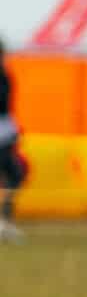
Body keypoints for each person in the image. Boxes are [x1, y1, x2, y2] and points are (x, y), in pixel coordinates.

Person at [0, 39, 26, 241]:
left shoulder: (5, 76)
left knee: (14, 175)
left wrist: (13, 129)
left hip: (4, 131)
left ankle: (5, 221)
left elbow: (6, 106)